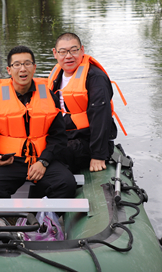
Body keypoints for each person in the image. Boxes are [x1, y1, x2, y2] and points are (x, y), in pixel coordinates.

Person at [0, 45, 77, 199]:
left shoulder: (50, 97)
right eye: (17, 64)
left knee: (67, 184)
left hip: (44, 158)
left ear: (34, 67)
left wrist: (43, 161)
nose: (23, 69)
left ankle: (44, 213)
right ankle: (10, 214)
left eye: (27, 64)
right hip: (11, 161)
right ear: (9, 70)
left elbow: (59, 137)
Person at [47, 32, 125, 173]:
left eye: (73, 50)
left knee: (53, 155)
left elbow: (101, 116)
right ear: (55, 53)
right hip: (66, 135)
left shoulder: (95, 78)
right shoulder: (57, 74)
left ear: (82, 50)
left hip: (87, 141)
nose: (68, 56)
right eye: (63, 52)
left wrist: (98, 155)